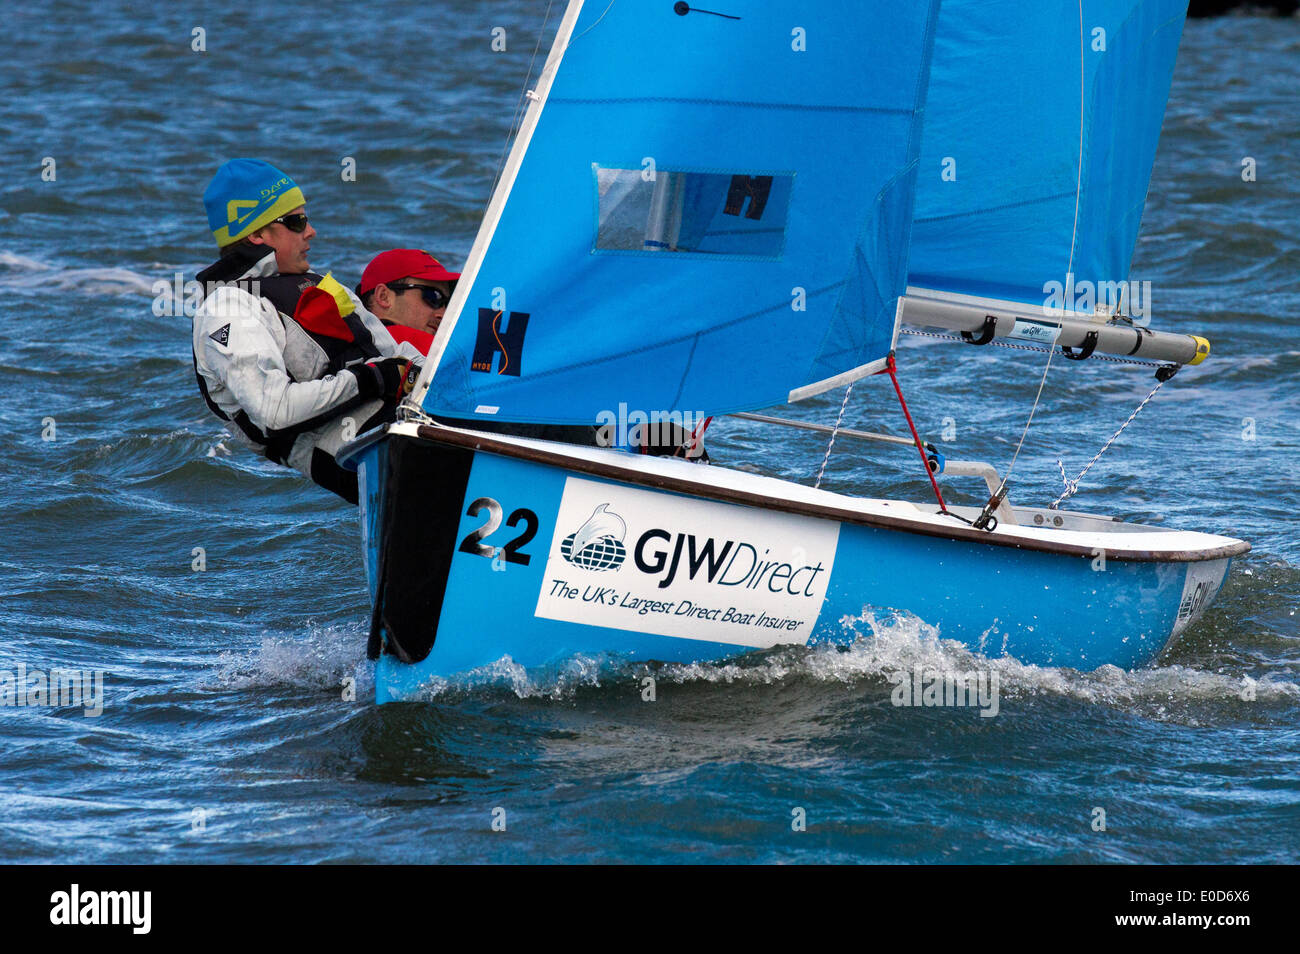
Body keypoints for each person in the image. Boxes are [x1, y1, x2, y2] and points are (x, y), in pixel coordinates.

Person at [191, 159, 423, 504]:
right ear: (256, 234)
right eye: (297, 222)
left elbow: (397, 358)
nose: (311, 231)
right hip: (363, 457)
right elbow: (274, 411)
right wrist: (371, 379)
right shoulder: (227, 309)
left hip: (412, 424)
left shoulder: (322, 286)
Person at [355, 249, 458, 355]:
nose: (443, 314)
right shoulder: (441, 351)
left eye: (448, 303)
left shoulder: (350, 342)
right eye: (433, 296)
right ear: (384, 296)